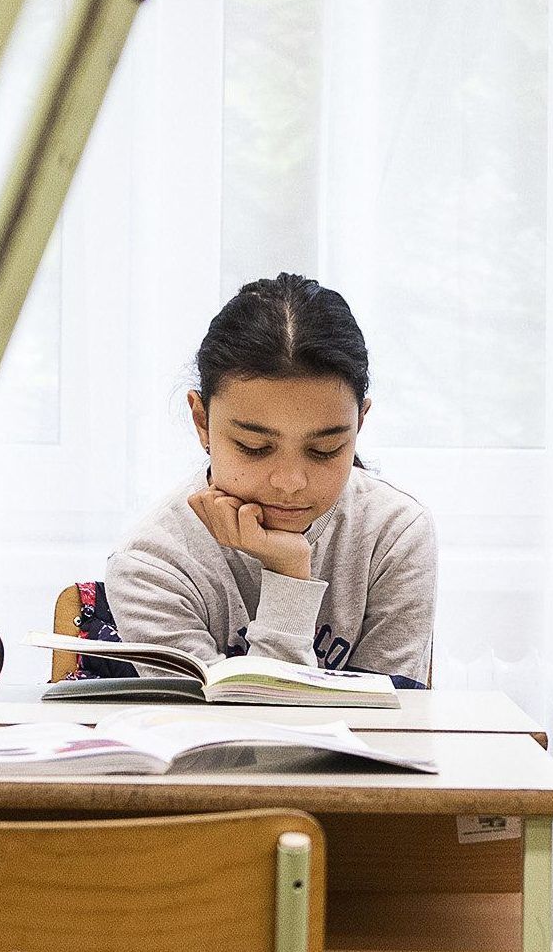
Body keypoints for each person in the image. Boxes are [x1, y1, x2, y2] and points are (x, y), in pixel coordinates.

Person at [97, 274, 437, 684]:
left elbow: (389, 724)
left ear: (359, 423)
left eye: (325, 450)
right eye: (254, 447)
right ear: (202, 421)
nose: (290, 482)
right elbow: (231, 737)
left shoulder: (394, 534)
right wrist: (288, 572)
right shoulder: (151, 566)